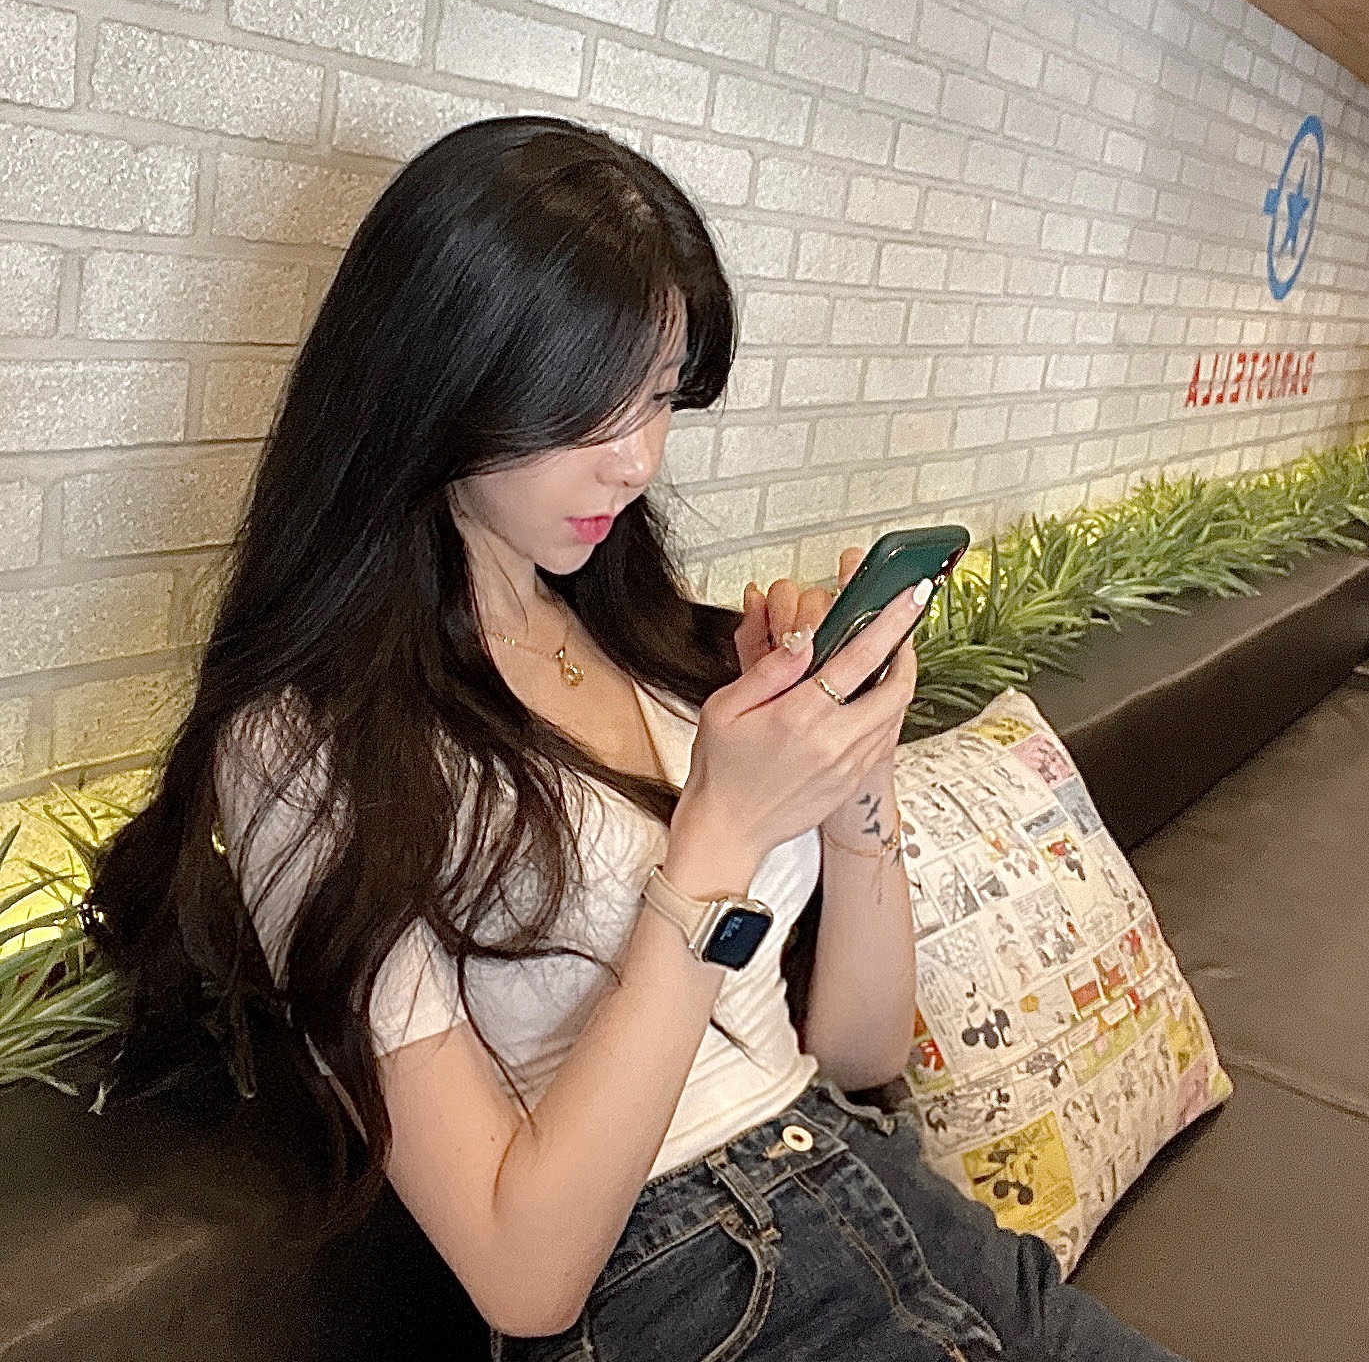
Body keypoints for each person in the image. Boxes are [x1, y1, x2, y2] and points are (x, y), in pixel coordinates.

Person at [85, 117, 1183, 1360]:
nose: (640, 458)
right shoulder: (305, 745)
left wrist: (849, 770)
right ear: (440, 376)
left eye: (661, 397)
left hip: (894, 1195)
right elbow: (523, 1275)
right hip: (693, 1279)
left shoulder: (645, 634)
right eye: (590, 409)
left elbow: (862, 1047)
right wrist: (719, 833)